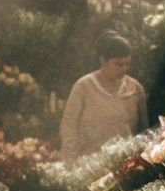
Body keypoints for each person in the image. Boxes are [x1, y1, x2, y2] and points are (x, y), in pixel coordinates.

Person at [60, 32, 149, 162]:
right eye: (118, 64)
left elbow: (144, 130)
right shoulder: (84, 86)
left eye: (127, 64)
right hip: (90, 163)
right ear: (103, 61)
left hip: (127, 162)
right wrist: (71, 158)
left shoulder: (135, 88)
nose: (124, 69)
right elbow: (69, 124)